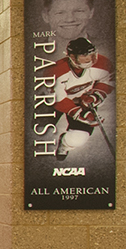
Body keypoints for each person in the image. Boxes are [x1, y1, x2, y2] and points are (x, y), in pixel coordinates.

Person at [49, 34, 114, 162]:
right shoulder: (57, 70)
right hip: (56, 102)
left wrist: (95, 96)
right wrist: (80, 115)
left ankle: (64, 144)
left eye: (92, 54)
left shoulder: (102, 63)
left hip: (82, 101)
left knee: (78, 138)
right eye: (84, 56)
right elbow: (57, 99)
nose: (90, 59)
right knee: (37, 129)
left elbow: (109, 80)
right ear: (72, 57)